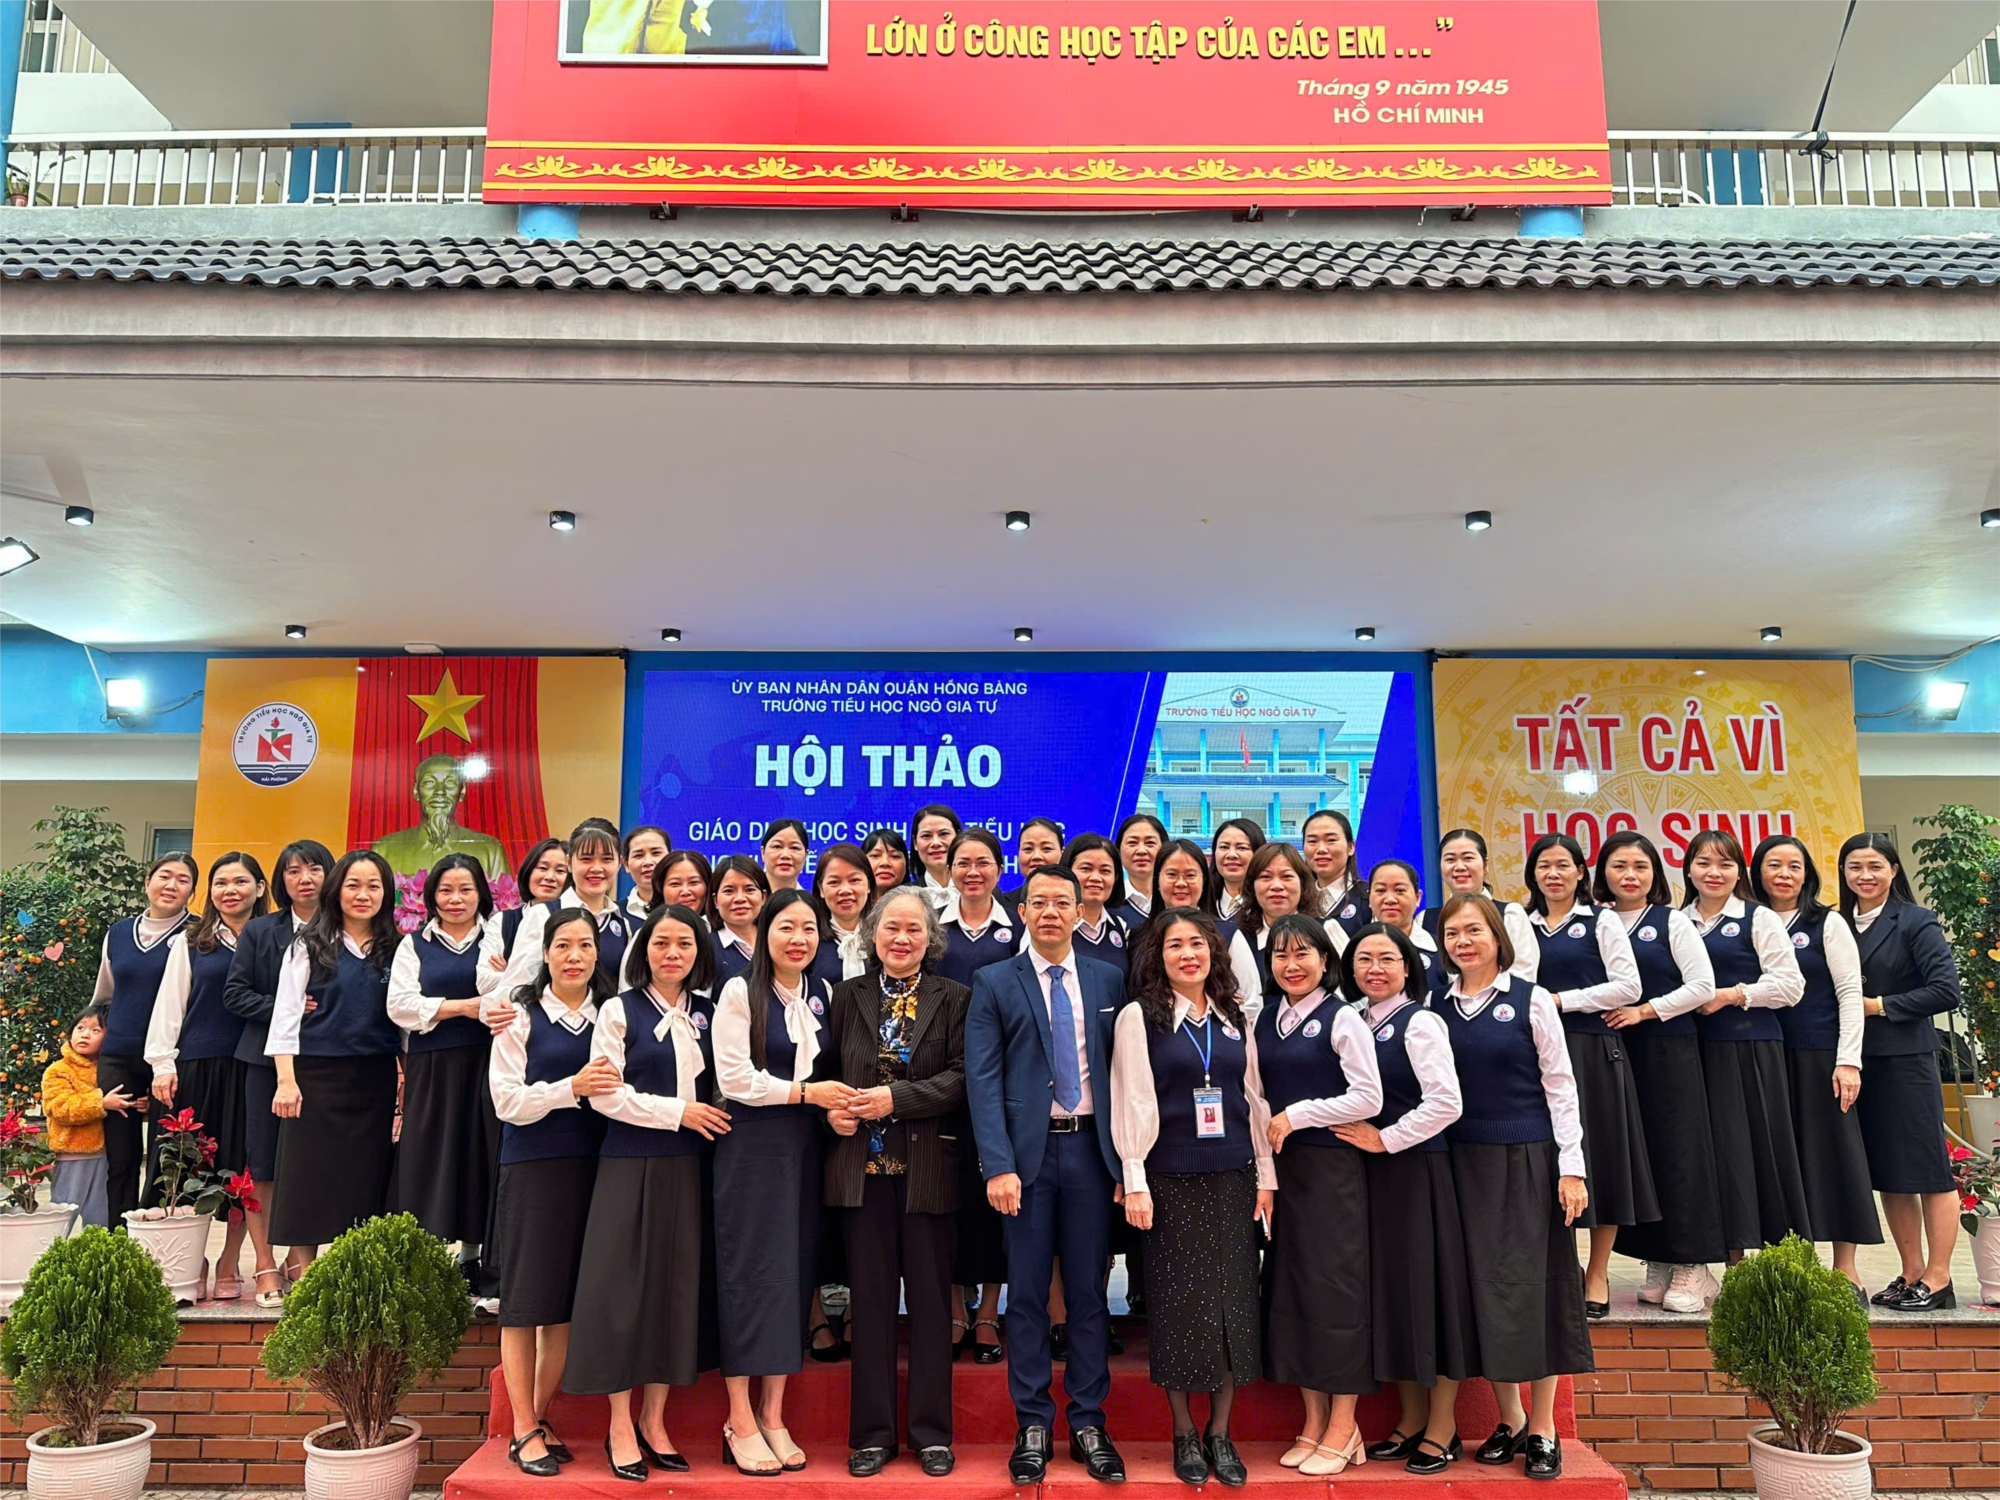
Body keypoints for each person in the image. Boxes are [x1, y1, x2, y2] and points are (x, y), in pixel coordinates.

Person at [964, 864, 1127, 1487]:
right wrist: (998, 1164)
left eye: (1063, 901)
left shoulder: (1107, 977)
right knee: (1028, 1296)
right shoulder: (994, 980)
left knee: (1087, 1294)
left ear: (1080, 909)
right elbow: (982, 1079)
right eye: (1040, 902)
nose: (1052, 912)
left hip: (1091, 1154)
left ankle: (1088, 1422)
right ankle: (1032, 1422)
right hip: (1026, 1162)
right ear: (1023, 911)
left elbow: (1123, 1074)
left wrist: (1127, 1163)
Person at [566, 904, 733, 1477]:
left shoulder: (710, 1013)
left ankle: (654, 1420)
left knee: (673, 1294)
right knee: (622, 1293)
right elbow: (605, 1094)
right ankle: (619, 1423)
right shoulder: (619, 1009)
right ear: (644, 950)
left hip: (692, 1168)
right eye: (661, 942)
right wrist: (678, 1113)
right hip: (630, 1164)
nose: (672, 953)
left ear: (699, 952)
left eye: (684, 943)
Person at [1112, 907, 1274, 1489]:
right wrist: (1135, 1178)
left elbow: (1253, 1097)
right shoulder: (1140, 1016)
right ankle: (1183, 1431)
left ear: (1214, 953)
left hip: (1233, 1178)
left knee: (1233, 1310)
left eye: (1198, 944)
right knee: (1181, 1312)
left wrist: (1265, 1175)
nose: (1189, 954)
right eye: (1176, 945)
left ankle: (1220, 1433)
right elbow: (1131, 1097)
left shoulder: (1234, 1015)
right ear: (1158, 957)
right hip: (1169, 1182)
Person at [1435, 894, 1592, 1481]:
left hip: (1527, 1160)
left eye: (1474, 930)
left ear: (1498, 937)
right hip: (1460, 1162)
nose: (1464, 941)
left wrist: (1571, 1167)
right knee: (1482, 1291)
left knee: (1535, 1291)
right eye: (1453, 933)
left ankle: (1544, 1427)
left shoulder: (1530, 999)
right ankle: (1511, 1418)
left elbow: (1561, 1086)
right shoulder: (1435, 1006)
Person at [823, 890, 970, 1477]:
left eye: (913, 929)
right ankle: (873, 1435)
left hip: (928, 1171)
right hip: (863, 1174)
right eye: (891, 928)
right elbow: (824, 1073)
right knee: (871, 1305)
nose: (901, 938)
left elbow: (962, 1078)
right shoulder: (845, 996)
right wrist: (831, 1113)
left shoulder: (954, 997)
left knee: (932, 1307)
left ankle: (932, 1435)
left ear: (930, 938)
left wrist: (895, 1099)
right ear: (872, 935)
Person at [711, 889, 853, 1474]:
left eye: (810, 929)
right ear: (764, 931)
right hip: (750, 1146)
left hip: (805, 1146)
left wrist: (834, 1109)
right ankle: (738, 1417)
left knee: (792, 1277)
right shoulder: (739, 991)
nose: (799, 939)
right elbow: (735, 1079)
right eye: (787, 927)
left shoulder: (823, 993)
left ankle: (773, 1414)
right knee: (749, 1276)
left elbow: (830, 1072)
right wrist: (808, 1094)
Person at [1333, 924, 1473, 1474]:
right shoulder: (1353, 1019)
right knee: (1392, 1296)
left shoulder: (1421, 1021)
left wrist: (1386, 1139)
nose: (1375, 969)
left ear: (1409, 967)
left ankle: (1443, 1427)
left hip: (1416, 1171)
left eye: (1387, 958)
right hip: (1371, 1176)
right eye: (1364, 959)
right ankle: (1411, 1420)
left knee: (1428, 1295)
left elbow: (1446, 1102)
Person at [487, 908, 615, 1478]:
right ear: (545, 953)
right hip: (533, 1166)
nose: (574, 956)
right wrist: (571, 1088)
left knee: (562, 1306)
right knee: (524, 1304)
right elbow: (507, 1102)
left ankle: (535, 1418)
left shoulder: (609, 1015)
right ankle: (521, 1427)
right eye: (563, 945)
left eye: (585, 945)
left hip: (594, 1167)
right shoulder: (520, 1015)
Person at [1255, 915, 1382, 1477]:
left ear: (1326, 961)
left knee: (1336, 1295)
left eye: (1303, 953)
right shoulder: (1264, 1017)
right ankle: (1313, 1420)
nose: (1292, 965)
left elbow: (1369, 1097)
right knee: (1293, 1291)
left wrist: (1299, 1115)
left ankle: (1344, 1425)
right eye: (1281, 955)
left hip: (1332, 1171)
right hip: (1283, 1171)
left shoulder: (1343, 1018)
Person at [1592, 832, 1726, 1315]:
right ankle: (1660, 1259)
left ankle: (1694, 1264)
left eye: (1640, 866)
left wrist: (1645, 1011)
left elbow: (1702, 986)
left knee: (1680, 1153)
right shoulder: (1596, 921)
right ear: (1602, 873)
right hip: (1616, 1053)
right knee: (1638, 1156)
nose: (1629, 875)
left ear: (1655, 874)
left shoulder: (1671, 921)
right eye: (1619, 866)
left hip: (1669, 1050)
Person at [1521, 831, 1651, 1321]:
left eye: (1563, 865)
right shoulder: (1521, 924)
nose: (1553, 874)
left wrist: (1560, 1001)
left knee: (1601, 1161)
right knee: (1549, 1162)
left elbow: (1629, 986)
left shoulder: (1601, 920)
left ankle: (1598, 1273)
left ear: (1580, 872)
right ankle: (1565, 1269)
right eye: (1544, 866)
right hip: (1535, 1053)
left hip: (1593, 1051)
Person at [1752, 836, 1882, 1291]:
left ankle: (1845, 1267)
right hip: (1763, 1055)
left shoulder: (1826, 922)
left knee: (1835, 1156)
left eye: (1795, 865)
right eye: (1774, 865)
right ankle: (1791, 1262)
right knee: (1780, 1161)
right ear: (1758, 872)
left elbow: (1849, 993)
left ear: (1807, 874)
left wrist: (1848, 1061)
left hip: (1820, 1055)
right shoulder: (1749, 920)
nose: (1784, 874)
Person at [1841, 833, 1963, 1311]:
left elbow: (1945, 990)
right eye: (1855, 866)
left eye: (1875, 866)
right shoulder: (1836, 921)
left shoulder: (1915, 920)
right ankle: (1912, 1271)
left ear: (1894, 870)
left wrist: (1879, 1005)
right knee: (1891, 1174)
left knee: (1929, 1171)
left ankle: (1940, 1277)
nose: (1865, 875)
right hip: (1856, 1060)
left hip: (1906, 1060)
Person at [1682, 828, 1810, 1269]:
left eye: (1725, 864)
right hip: (1694, 1053)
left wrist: (1731, 995)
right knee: (1715, 1156)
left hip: (1751, 1049)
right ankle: (1727, 1261)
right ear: (1688, 869)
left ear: (1740, 872)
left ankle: (1780, 1263)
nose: (1714, 872)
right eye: (1703, 863)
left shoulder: (1759, 918)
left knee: (1761, 1152)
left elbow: (1791, 986)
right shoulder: (1677, 921)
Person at [146, 850, 270, 1301]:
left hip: (253, 1066)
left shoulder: (274, 940)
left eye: (240, 881)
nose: (230, 890)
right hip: (196, 1066)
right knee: (189, 1168)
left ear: (260, 887)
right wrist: (162, 1064)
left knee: (243, 1171)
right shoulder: (192, 941)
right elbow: (170, 1003)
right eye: (220, 883)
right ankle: (191, 1261)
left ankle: (229, 1261)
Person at [268, 850, 403, 1262]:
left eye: (373, 886)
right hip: (315, 1076)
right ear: (336, 891)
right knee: (308, 1176)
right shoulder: (309, 944)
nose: (363, 895)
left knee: (364, 1177)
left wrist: (407, 1079)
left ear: (386, 893)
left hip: (374, 1079)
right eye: (353, 885)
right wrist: (286, 1081)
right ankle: (306, 1273)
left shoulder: (398, 948)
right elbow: (285, 1015)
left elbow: (404, 1022)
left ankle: (355, 1270)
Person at [224, 839, 333, 1305]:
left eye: (314, 869)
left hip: (325, 1063)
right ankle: (265, 1264)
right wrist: (285, 1006)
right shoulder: (260, 931)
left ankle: (300, 1258)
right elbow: (235, 994)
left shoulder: (343, 928)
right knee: (264, 1164)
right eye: (292, 871)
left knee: (310, 1164)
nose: (304, 879)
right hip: (263, 1063)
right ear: (280, 881)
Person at [388, 855, 502, 1292]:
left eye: (465, 889)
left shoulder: (498, 938)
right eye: (446, 890)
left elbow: (507, 994)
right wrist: (462, 1008)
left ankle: (472, 1257)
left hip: (488, 1062)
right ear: (431, 895)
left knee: (479, 1154)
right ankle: (424, 1258)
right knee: (430, 1156)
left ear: (481, 894)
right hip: (432, 1065)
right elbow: (399, 1006)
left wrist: (447, 1007)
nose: (456, 899)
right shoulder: (414, 944)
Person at [937, 828, 1016, 1365]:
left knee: (993, 1200)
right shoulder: (934, 928)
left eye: (983, 862)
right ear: (950, 869)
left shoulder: (1017, 927)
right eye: (962, 863)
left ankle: (987, 1311)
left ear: (999, 869)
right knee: (945, 1195)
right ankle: (952, 1309)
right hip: (941, 1078)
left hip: (1002, 1079)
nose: (972, 872)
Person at [94, 851, 198, 1222]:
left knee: (166, 1155)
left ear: (192, 892)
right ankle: (118, 1235)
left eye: (183, 880)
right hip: (119, 1056)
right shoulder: (119, 933)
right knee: (120, 1157)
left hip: (173, 1060)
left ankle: (157, 1234)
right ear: (147, 882)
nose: (171, 885)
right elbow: (104, 995)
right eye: (164, 876)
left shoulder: (198, 933)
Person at [496, 824, 632, 996]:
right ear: (569, 863)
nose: (596, 868)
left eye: (606, 859)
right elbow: (516, 985)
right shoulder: (543, 914)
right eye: (586, 859)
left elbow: (625, 992)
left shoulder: (621, 923)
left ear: (619, 863)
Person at [1151, 840, 1266, 1020]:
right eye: (1171, 874)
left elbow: (1252, 1003)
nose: (1181, 883)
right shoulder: (1139, 935)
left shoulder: (1227, 934)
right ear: (1157, 880)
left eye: (1190, 875)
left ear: (1204, 881)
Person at [42, 1007, 130, 1229]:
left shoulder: (108, 1070)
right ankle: (50, 1251)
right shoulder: (58, 1071)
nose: (85, 1034)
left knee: (99, 1220)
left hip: (104, 1156)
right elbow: (59, 1108)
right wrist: (101, 1102)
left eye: (95, 1030)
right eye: (80, 1028)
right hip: (72, 1156)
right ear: (70, 1034)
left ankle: (94, 1252)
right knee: (61, 1218)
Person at [370, 752, 510, 880]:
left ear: (462, 791)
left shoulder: (490, 851)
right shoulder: (384, 850)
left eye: (450, 782)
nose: (440, 791)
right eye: (429, 782)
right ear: (416, 792)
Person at [1425, 829, 1540, 978]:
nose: (1459, 867)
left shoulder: (1510, 914)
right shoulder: (1425, 919)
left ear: (1485, 865)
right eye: (1450, 860)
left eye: (1468, 858)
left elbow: (1524, 974)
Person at [1234, 842, 1341, 1003]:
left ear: (1303, 884)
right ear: (1252, 886)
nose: (1276, 886)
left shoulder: (1326, 929)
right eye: (1265, 877)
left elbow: (1351, 996)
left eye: (1286, 876)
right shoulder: (1237, 937)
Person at [486, 839, 571, 975]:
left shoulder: (579, 922)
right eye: (542, 868)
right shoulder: (502, 922)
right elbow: (485, 980)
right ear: (528, 871)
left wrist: (510, 973)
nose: (550, 877)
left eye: (561, 871)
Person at [1365, 861, 1445, 997]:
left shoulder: (1442, 951)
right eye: (1380, 890)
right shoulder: (1355, 949)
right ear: (1369, 898)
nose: (1390, 899)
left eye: (1400, 890)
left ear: (1417, 898)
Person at [1061, 834, 1133, 976]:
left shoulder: (1121, 927)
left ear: (1116, 878)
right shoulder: (1051, 924)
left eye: (1105, 871)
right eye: (1086, 869)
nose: (1095, 878)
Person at [809, 843, 874, 986]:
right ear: (821, 889)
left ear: (869, 885)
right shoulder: (810, 940)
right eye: (834, 882)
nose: (845, 890)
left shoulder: (883, 938)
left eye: (854, 880)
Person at [707, 855, 770, 988]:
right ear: (716, 900)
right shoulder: (705, 948)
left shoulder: (776, 940)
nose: (740, 898)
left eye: (749, 890)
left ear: (763, 897)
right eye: (729, 891)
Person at [1302, 811, 1366, 935]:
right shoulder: (1298, 900)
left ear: (1351, 847)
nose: (1321, 849)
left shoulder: (1369, 898)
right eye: (1312, 841)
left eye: (1331, 840)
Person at [999, 818, 1065, 918]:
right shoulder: (1000, 906)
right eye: (1028, 849)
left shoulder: (1078, 902)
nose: (1036, 856)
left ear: (1062, 854)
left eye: (1046, 848)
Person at [1113, 813, 1168, 930]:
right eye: (1132, 843)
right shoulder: (1109, 903)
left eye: (1150, 843)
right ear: (1118, 851)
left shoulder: (1176, 899)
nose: (1141, 850)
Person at [1210, 819, 1265, 922]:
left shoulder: (1267, 908)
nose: (1231, 855)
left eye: (1242, 848)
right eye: (1224, 847)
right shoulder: (1201, 904)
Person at [909, 806, 963, 908]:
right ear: (915, 842)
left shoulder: (983, 891)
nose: (935, 843)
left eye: (944, 834)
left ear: (958, 837)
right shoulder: (902, 897)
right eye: (926, 836)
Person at [622, 826, 672, 921]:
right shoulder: (614, 915)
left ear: (671, 858)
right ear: (626, 864)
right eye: (638, 855)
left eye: (656, 853)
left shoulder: (689, 910)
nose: (648, 862)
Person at [651, 848, 713, 916]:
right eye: (675, 884)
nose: (685, 892)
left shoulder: (719, 923)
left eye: (694, 882)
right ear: (660, 889)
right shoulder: (650, 923)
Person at [761, 821, 810, 893]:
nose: (785, 855)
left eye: (794, 848)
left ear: (805, 856)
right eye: (777, 846)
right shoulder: (747, 898)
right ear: (763, 852)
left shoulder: (808, 900)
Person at [861, 829, 911, 901]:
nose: (885, 863)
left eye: (894, 856)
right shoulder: (849, 904)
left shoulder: (920, 903)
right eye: (875, 855)